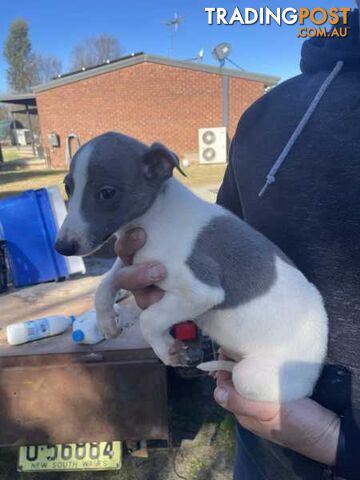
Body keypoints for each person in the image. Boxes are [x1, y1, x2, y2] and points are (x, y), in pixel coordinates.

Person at [111, 7, 360, 479]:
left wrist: (339, 445)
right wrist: (164, 282)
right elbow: (220, 257)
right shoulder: (265, 114)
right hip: (263, 447)